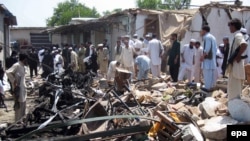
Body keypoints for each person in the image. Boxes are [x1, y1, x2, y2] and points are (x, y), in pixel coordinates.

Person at [226, 18, 247, 100]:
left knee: (234, 91)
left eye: (230, 26)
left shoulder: (238, 35)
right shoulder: (236, 35)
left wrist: (238, 56)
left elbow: (244, 45)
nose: (229, 28)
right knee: (232, 90)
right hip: (234, 67)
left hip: (236, 68)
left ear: (234, 26)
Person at [6, 54, 28, 122]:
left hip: (23, 88)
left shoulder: (23, 66)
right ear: (24, 59)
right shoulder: (17, 65)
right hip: (18, 89)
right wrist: (14, 81)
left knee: (23, 104)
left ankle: (22, 120)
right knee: (18, 105)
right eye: (26, 59)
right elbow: (8, 72)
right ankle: (17, 121)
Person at [200, 25, 217, 91]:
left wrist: (203, 56)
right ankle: (211, 87)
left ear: (204, 30)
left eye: (201, 30)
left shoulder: (207, 37)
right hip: (212, 59)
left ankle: (207, 87)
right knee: (211, 75)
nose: (201, 32)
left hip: (208, 59)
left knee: (207, 74)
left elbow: (207, 48)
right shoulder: (213, 37)